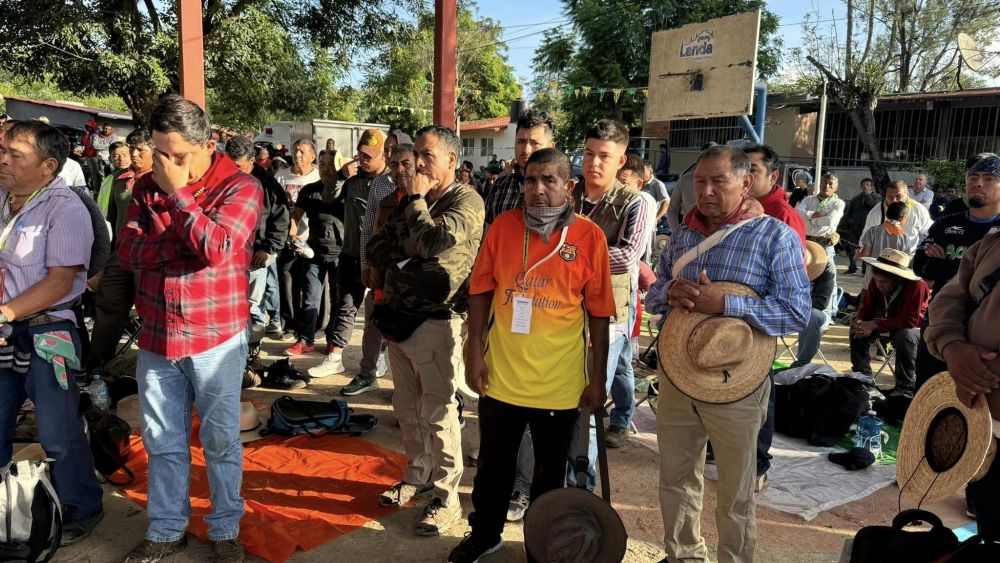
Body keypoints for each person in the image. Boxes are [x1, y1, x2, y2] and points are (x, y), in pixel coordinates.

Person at [447, 148, 615, 563]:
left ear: (568, 186)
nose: (538, 190)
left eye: (549, 181)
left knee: (548, 473)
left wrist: (598, 379)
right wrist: (473, 354)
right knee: (492, 467)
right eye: (530, 180)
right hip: (502, 376)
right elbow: (481, 291)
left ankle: (542, 544)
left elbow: (598, 315)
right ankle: (485, 534)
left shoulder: (589, 237)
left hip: (559, 385)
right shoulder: (503, 226)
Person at [647, 145, 810, 563]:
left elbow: (795, 312)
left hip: (737, 383)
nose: (706, 190)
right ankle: (682, 554)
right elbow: (653, 291)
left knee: (736, 489)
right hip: (678, 374)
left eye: (718, 181)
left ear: (745, 181)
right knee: (676, 478)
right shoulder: (684, 234)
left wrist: (727, 306)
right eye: (700, 181)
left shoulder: (776, 237)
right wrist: (670, 291)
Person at [117, 95, 261, 562]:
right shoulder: (144, 187)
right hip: (158, 335)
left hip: (216, 337)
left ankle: (224, 528)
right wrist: (186, 243)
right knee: (163, 442)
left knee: (220, 441)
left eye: (177, 155)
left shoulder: (241, 186)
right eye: (160, 153)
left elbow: (218, 249)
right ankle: (166, 529)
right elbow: (129, 254)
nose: (166, 164)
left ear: (207, 143)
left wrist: (178, 195)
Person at [366, 125, 484, 537]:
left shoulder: (465, 200)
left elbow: (435, 243)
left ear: (452, 159)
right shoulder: (412, 202)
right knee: (406, 406)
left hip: (437, 320)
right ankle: (416, 476)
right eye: (416, 153)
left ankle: (446, 497)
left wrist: (415, 209)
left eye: (427, 155)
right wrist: (411, 244)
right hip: (398, 318)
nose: (418, 163)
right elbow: (377, 249)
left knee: (438, 412)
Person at [0, 120, 104, 545]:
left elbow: (61, 281)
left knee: (57, 430)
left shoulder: (65, 208)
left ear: (48, 166)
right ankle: (6, 507)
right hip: (5, 327)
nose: (3, 160)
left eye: (14, 154)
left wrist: (5, 311)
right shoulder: (3, 200)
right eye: (2, 151)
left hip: (47, 331)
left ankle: (82, 507)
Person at [567, 120, 647, 469]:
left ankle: (581, 486)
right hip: (560, 311)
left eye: (604, 156)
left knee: (589, 403)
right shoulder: (566, 195)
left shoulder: (635, 203)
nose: (594, 163)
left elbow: (627, 256)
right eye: (588, 153)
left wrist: (569, 256)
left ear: (621, 161)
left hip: (607, 318)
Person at [924, 228, 1000, 535]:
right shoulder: (992, 244)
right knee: (990, 523)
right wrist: (952, 346)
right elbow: (950, 300)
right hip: (985, 425)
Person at [305, 130, 389, 396]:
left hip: (381, 260)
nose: (363, 160)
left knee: (379, 312)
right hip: (351, 253)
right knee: (345, 305)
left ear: (384, 155)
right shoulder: (352, 178)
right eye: (361, 154)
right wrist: (341, 176)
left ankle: (380, 358)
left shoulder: (391, 182)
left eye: (369, 156)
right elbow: (329, 196)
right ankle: (335, 356)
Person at [914, 154, 1000, 388]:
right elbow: (921, 267)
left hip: (984, 343)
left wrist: (945, 264)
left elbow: (943, 271)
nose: (978, 183)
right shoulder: (945, 223)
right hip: (941, 325)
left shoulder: (995, 235)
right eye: (973, 177)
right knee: (928, 393)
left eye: (989, 178)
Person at [87, 129, 155, 375]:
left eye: (140, 151)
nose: (134, 155)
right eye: (131, 150)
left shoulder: (163, 178)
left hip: (150, 256)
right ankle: (96, 367)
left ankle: (151, 368)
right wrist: (104, 261)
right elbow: (111, 222)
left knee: (150, 311)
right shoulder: (118, 179)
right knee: (108, 306)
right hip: (121, 253)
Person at [225, 136, 290, 330]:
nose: (233, 171)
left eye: (239, 166)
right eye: (230, 165)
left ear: (251, 161)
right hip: (226, 254)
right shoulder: (220, 179)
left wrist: (269, 249)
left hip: (256, 255)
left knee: (253, 308)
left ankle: (252, 356)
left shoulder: (269, 186)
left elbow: (281, 221)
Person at [849, 248, 930, 395]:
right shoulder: (875, 282)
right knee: (856, 328)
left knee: (905, 335)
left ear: (897, 278)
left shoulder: (916, 285)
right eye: (877, 280)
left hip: (917, 330)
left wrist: (875, 324)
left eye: (884, 282)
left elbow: (911, 320)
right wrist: (861, 322)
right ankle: (862, 377)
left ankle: (905, 386)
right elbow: (866, 308)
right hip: (890, 324)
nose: (880, 285)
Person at [273, 140, 320, 338]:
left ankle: (311, 327)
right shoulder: (281, 176)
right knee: (287, 281)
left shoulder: (318, 177)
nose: (297, 155)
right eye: (295, 151)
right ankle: (290, 325)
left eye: (302, 152)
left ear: (312, 156)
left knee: (309, 286)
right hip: (286, 239)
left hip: (311, 238)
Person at [483, 108, 557, 226]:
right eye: (521, 141)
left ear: (551, 147)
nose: (526, 150)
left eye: (534, 143)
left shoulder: (561, 191)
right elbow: (488, 231)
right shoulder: (500, 185)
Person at [797, 173, 846, 320]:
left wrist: (811, 219)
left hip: (825, 244)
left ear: (836, 187)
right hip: (806, 243)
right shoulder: (808, 199)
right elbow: (797, 212)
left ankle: (828, 313)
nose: (827, 186)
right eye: (825, 182)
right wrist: (815, 214)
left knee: (829, 278)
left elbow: (831, 221)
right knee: (802, 275)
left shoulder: (838, 203)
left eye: (831, 184)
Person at [856, 201, 921, 287]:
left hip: (873, 276)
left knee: (866, 297)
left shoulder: (873, 231)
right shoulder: (905, 237)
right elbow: (906, 260)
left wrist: (857, 255)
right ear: (903, 218)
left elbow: (862, 256)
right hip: (892, 278)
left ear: (886, 214)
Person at [863, 179, 932, 241]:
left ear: (907, 195)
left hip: (908, 254)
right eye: (890, 197)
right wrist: (861, 249)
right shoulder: (877, 211)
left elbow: (931, 230)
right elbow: (867, 235)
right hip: (884, 253)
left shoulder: (918, 210)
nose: (894, 200)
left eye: (898, 196)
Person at [839, 178, 882, 274]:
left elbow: (873, 206)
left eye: (867, 184)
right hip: (854, 227)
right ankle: (852, 267)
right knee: (852, 248)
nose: (864, 186)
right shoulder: (856, 198)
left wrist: (867, 196)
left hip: (868, 229)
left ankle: (865, 269)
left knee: (866, 248)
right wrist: (844, 223)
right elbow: (848, 212)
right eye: (863, 184)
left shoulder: (877, 198)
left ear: (871, 187)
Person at [85, 122, 115, 193]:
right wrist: (106, 145)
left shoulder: (114, 136)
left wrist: (101, 145)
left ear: (111, 130)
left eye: (108, 129)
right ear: (102, 128)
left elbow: (111, 146)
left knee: (110, 176)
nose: (106, 131)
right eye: (105, 129)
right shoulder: (96, 135)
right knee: (102, 177)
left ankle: (109, 191)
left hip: (109, 159)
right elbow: (95, 145)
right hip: (100, 158)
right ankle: (102, 191)